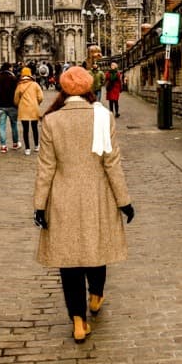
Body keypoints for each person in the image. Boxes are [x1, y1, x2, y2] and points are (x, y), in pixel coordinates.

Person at [33, 65, 135, 343]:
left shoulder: (51, 120)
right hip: (97, 195)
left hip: (63, 197)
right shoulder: (102, 116)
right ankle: (96, 296)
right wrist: (124, 201)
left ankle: (78, 321)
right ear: (89, 87)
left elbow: (46, 167)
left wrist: (39, 205)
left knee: (69, 262)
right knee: (95, 249)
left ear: (63, 88)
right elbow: (111, 162)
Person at [13, 67, 43, 155]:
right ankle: (37, 146)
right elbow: (41, 97)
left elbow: (16, 99)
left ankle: (27, 149)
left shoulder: (19, 85)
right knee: (35, 128)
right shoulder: (35, 84)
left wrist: (19, 104)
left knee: (25, 129)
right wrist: (37, 103)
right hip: (34, 108)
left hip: (23, 109)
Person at [0, 62, 20, 153]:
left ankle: (3, 146)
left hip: (1, 106)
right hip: (12, 105)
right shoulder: (13, 78)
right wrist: (17, 104)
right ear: (9, 68)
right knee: (14, 125)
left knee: (2, 126)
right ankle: (15, 143)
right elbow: (16, 93)